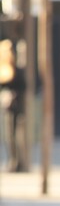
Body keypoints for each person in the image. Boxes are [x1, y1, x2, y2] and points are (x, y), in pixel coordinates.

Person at [0, 39, 26, 173]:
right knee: (9, 135)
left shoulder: (13, 69)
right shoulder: (6, 68)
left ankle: (16, 161)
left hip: (13, 106)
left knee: (12, 134)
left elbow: (22, 85)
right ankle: (14, 160)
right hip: (10, 106)